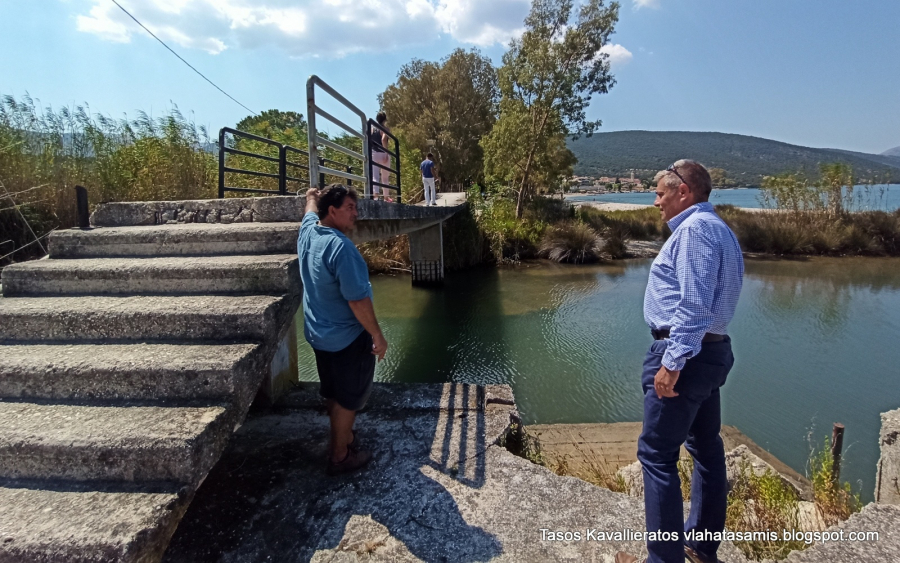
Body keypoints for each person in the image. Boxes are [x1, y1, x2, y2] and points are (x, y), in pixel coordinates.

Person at [615, 160, 744, 563]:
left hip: (685, 354)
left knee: (656, 456)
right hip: (710, 352)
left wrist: (673, 361)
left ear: (683, 192)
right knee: (705, 446)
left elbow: (695, 304)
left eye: (659, 193)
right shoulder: (719, 229)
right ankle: (700, 545)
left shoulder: (694, 231)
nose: (655, 202)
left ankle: (663, 559)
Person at [297, 184, 389, 475]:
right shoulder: (341, 248)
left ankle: (344, 436)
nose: (356, 214)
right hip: (347, 339)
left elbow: (310, 212)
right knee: (349, 399)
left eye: (356, 207)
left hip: (318, 334)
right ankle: (340, 456)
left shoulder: (309, 232)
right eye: (350, 207)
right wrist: (377, 335)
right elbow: (357, 300)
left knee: (334, 393)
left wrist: (311, 197)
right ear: (333, 211)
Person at [370, 112, 393, 202]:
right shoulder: (385, 128)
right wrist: (386, 152)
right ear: (385, 119)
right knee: (385, 177)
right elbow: (384, 139)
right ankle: (386, 197)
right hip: (383, 153)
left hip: (374, 153)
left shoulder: (372, 129)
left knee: (375, 176)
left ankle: (375, 195)